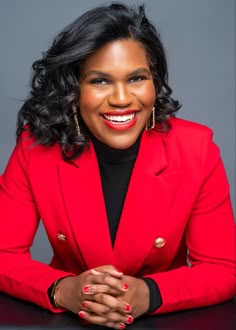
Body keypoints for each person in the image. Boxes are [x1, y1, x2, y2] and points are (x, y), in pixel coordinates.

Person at [0, 2, 235, 329]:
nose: (122, 98)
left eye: (137, 78)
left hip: (167, 321)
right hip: (68, 321)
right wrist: (63, 290)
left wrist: (148, 293)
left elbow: (223, 268)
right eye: (99, 81)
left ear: (154, 81)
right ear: (73, 89)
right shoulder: (34, 148)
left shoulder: (196, 149)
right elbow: (3, 255)